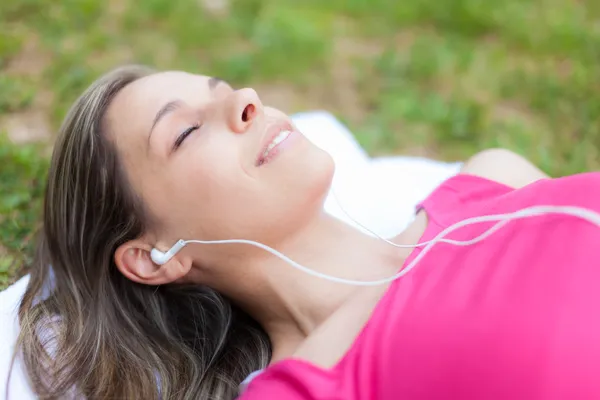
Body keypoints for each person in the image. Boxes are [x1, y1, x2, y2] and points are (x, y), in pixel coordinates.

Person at [10, 64, 600, 400]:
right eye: (185, 134)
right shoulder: (304, 391)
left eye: (225, 89)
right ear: (154, 257)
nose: (247, 100)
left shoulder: (491, 180)